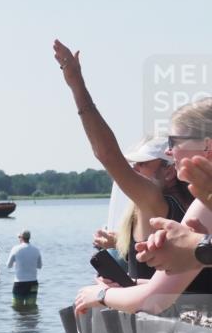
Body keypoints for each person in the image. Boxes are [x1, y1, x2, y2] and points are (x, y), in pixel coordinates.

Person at [54, 40, 192, 280]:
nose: (134, 168)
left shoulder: (154, 200)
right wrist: (120, 242)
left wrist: (77, 85)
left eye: (144, 163)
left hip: (158, 313)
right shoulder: (192, 205)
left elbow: (107, 155)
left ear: (169, 172)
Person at [75, 98, 212, 317]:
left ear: (207, 145)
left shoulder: (202, 208)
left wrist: (100, 295)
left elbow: (154, 301)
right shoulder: (200, 205)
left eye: (174, 141)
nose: (169, 151)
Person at [7, 230, 42, 308]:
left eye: (19, 237)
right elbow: (39, 266)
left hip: (19, 283)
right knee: (31, 307)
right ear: (29, 238)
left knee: (17, 307)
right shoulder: (36, 249)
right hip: (33, 282)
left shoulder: (15, 249)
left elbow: (8, 265)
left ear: (21, 238)